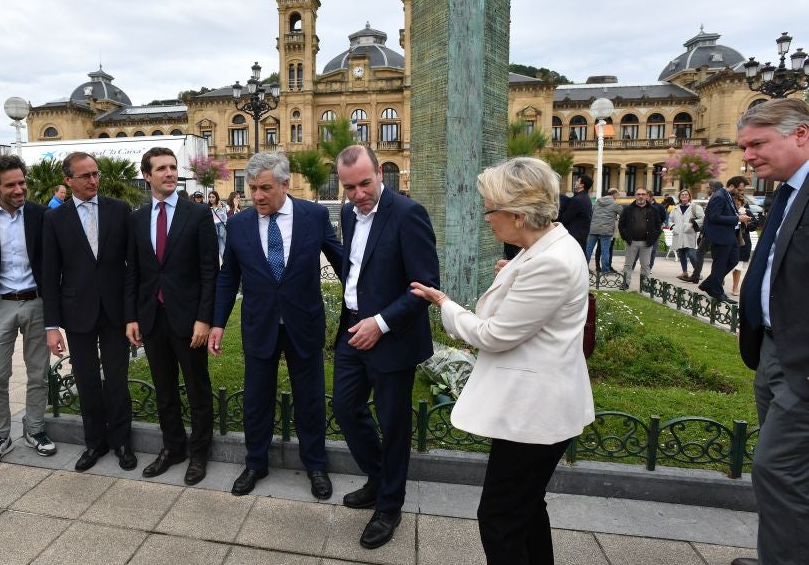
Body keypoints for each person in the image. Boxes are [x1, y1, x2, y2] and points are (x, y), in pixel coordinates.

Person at [411, 157, 594, 564]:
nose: (487, 219)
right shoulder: (548, 247)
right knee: (526, 508)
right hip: (536, 408)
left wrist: (444, 304)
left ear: (517, 213)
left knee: (499, 515)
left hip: (534, 413)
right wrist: (513, 272)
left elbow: (494, 335)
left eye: (490, 210)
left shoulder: (550, 260)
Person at [209, 151, 343, 499]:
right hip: (259, 325)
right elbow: (228, 277)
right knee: (256, 399)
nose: (257, 196)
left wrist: (369, 299)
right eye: (252, 188)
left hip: (304, 324)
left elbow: (341, 262)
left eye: (265, 188)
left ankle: (315, 464)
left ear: (285, 184)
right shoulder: (238, 223)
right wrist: (218, 323)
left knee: (310, 399)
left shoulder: (313, 216)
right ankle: (255, 462)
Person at [332, 145, 439, 550]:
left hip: (392, 336)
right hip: (351, 331)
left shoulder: (408, 214)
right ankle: (380, 480)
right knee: (344, 406)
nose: (358, 194)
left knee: (394, 425)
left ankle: (390, 505)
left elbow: (425, 286)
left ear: (380, 173)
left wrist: (380, 323)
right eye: (349, 188)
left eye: (364, 183)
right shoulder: (346, 213)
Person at [734, 98, 809, 565]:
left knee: (777, 468)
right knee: (791, 472)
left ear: (801, 134)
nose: (748, 156)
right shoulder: (787, 189)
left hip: (802, 360)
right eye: (744, 147)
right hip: (772, 348)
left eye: (758, 144)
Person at [124, 147, 217, 486]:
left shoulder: (197, 215)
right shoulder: (137, 219)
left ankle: (199, 452)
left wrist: (204, 318)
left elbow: (210, 270)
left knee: (197, 388)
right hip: (152, 317)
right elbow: (133, 272)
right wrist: (131, 316)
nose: (169, 173)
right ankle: (172, 447)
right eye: (161, 168)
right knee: (164, 389)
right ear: (147, 175)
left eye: (173, 167)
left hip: (188, 319)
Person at [41, 152, 135, 472]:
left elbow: (132, 266)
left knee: (118, 379)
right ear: (68, 180)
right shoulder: (54, 219)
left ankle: (123, 441)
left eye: (96, 174)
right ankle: (95, 442)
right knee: (87, 380)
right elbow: (50, 275)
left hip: (114, 310)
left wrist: (132, 313)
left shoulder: (119, 211)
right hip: (76, 312)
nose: (93, 181)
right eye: (85, 176)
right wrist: (51, 325)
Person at [0, 154, 57, 470]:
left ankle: (34, 430)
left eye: (22, 182)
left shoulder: (40, 215)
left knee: (38, 373)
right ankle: (0, 436)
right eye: (11, 185)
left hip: (36, 303)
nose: (19, 189)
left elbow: (50, 261)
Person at [698, 175, 751, 302]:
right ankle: (716, 291)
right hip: (720, 236)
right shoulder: (719, 196)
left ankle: (708, 284)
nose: (741, 193)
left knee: (733, 260)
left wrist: (739, 216)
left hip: (729, 235)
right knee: (720, 265)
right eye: (740, 190)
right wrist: (738, 218)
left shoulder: (727, 196)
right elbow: (714, 217)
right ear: (732, 186)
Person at [618, 187, 662, 291]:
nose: (640, 196)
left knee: (645, 265)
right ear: (635, 196)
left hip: (647, 243)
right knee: (628, 265)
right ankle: (625, 283)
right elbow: (621, 224)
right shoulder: (628, 209)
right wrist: (625, 236)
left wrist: (653, 237)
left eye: (643, 194)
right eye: (638, 194)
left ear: (647, 196)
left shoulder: (653, 210)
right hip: (631, 242)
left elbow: (658, 225)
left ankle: (645, 285)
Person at [685, 179, 724, 284]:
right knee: (707, 254)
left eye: (709, 187)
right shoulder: (717, 197)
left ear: (713, 188)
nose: (708, 189)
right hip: (710, 232)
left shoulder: (717, 198)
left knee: (704, 254)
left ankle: (700, 276)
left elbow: (712, 217)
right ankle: (699, 276)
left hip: (712, 232)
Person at [668, 189, 704, 281]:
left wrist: (692, 224)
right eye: (682, 195)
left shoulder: (695, 207)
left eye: (686, 194)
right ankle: (684, 272)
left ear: (689, 196)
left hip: (689, 233)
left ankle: (697, 273)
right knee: (682, 253)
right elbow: (670, 220)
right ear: (679, 197)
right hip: (678, 233)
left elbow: (703, 218)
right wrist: (673, 226)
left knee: (691, 254)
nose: (684, 196)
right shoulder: (675, 208)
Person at [585, 188, 623, 273]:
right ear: (614, 194)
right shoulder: (615, 204)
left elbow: (592, 212)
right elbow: (623, 214)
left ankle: (583, 268)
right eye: (617, 195)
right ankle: (605, 270)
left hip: (594, 228)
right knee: (605, 250)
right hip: (606, 230)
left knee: (588, 249)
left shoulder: (597, 202)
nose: (617, 197)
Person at [729, 190, 756, 296]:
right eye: (735, 203)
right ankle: (719, 282)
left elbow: (754, 226)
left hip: (742, 243)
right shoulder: (728, 211)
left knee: (738, 266)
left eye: (739, 203)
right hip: (728, 241)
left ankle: (735, 287)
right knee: (724, 264)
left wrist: (746, 223)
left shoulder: (747, 212)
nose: (737, 205)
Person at [558, 174, 592, 252]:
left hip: (575, 236)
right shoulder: (585, 197)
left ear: (582, 185)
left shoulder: (577, 200)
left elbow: (565, 218)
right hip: (581, 235)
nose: (575, 182)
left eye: (577, 181)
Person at [207, 190, 227, 261]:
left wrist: (220, 209)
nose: (211, 199)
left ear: (216, 198)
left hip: (221, 227)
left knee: (223, 248)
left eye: (213, 197)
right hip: (212, 228)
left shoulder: (222, 206)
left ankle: (226, 264)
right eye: (210, 197)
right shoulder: (207, 208)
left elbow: (225, 219)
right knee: (215, 249)